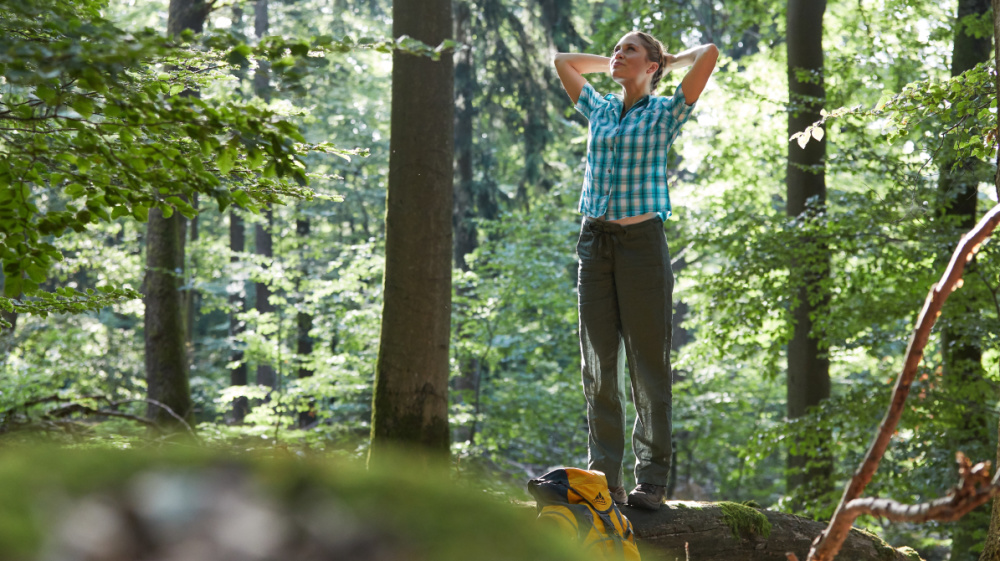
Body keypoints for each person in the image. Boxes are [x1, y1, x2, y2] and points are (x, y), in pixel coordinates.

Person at [553, 32, 718, 510]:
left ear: (652, 66)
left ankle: (651, 481)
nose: (618, 55)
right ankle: (603, 477)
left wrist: (668, 58)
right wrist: (614, 65)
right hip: (594, 245)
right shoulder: (600, 108)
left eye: (630, 51)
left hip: (642, 248)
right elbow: (563, 60)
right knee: (598, 365)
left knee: (648, 366)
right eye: (616, 50)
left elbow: (708, 56)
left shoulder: (667, 111)